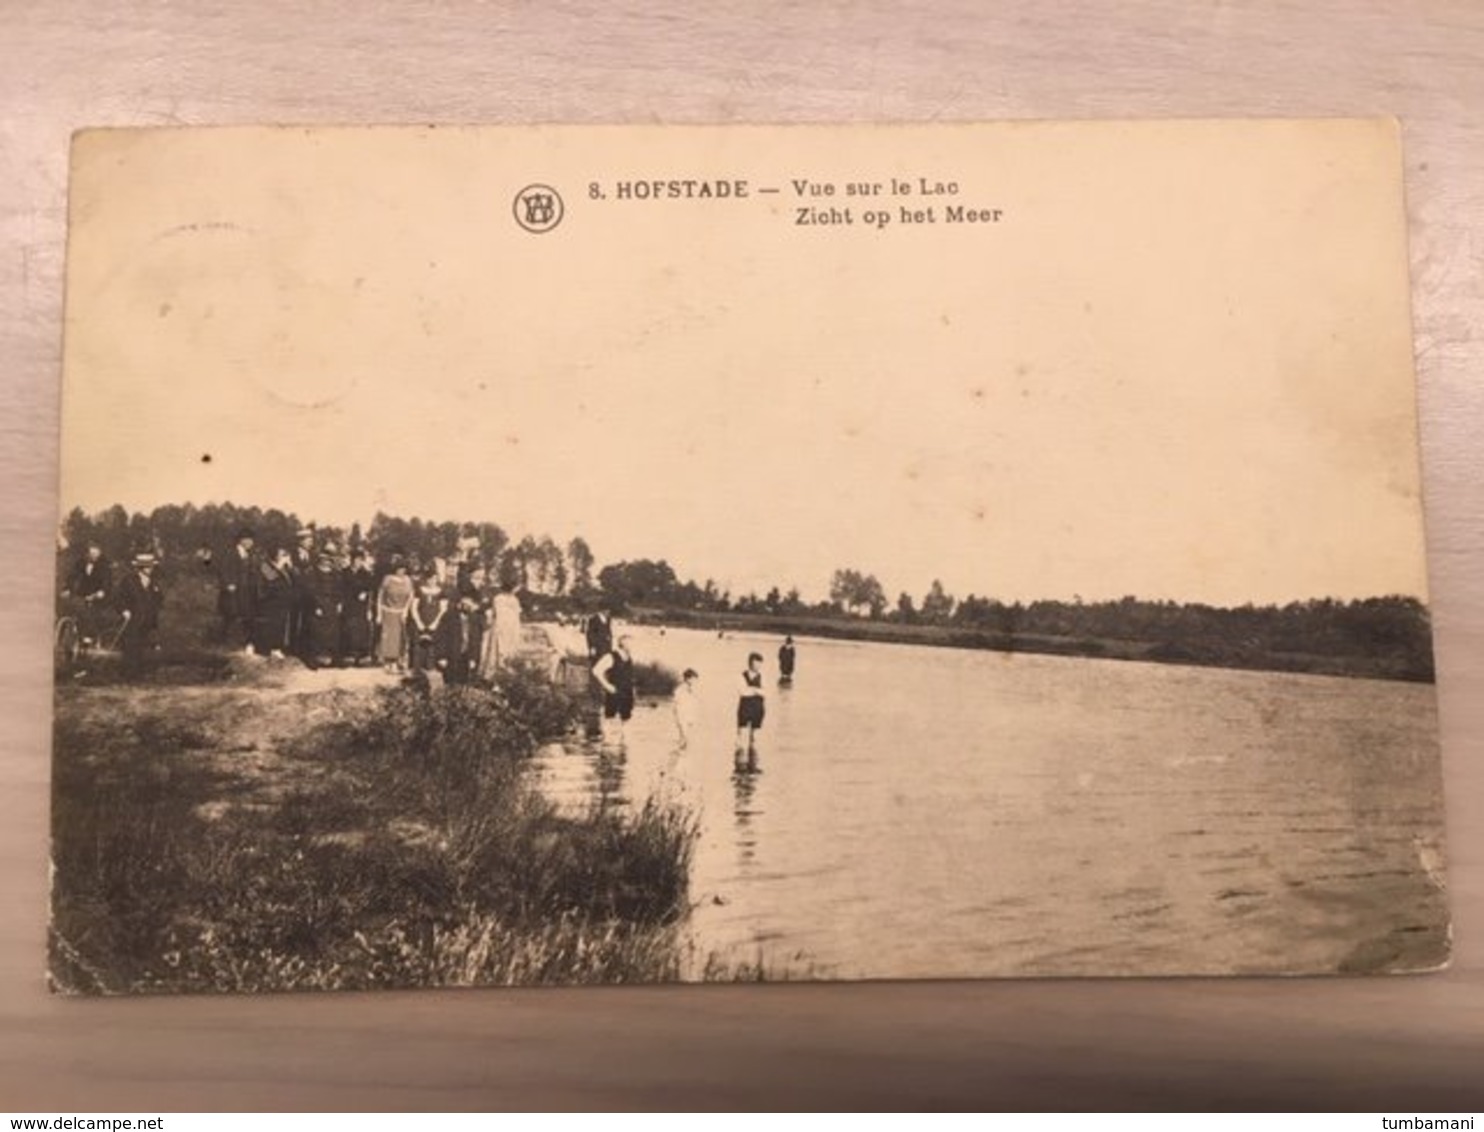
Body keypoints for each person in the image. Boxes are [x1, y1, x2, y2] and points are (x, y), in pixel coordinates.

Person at [116, 552, 164, 677]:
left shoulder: (154, 582)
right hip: (133, 619)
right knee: (131, 644)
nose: (150, 569)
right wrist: (124, 610)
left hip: (149, 620)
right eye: (147, 567)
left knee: (145, 645)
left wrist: (156, 605)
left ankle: (142, 671)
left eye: (151, 567)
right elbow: (119, 598)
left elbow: (159, 599)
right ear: (140, 568)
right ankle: (129, 673)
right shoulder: (128, 581)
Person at [216, 527, 257, 654]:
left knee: (247, 616)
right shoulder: (229, 553)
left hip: (246, 591)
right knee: (230, 616)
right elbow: (222, 570)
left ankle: (246, 643)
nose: (251, 543)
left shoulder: (251, 555)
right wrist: (228, 584)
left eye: (252, 540)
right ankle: (225, 643)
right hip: (232, 590)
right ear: (241, 540)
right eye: (249, 540)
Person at [63, 542, 112, 646]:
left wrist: (102, 591)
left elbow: (107, 581)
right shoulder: (80, 562)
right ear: (87, 553)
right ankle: (71, 632)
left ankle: (90, 635)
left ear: (100, 553)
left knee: (93, 611)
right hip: (83, 593)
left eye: (96, 554)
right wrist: (67, 588)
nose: (94, 556)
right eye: (92, 553)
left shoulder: (104, 565)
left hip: (98, 594)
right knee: (76, 606)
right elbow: (72, 576)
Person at [592, 635, 636, 745]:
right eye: (630, 643)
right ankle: (606, 742)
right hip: (614, 690)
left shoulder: (629, 657)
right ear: (622, 644)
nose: (632, 645)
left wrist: (633, 691)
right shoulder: (611, 656)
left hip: (627, 691)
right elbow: (596, 671)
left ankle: (624, 744)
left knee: (626, 718)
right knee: (609, 717)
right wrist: (607, 686)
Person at [303, 551, 344, 669]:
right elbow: (311, 591)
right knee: (316, 633)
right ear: (320, 561)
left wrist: (339, 603)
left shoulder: (335, 574)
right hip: (319, 605)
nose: (327, 563)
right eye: (324, 560)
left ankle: (334, 658)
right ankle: (313, 659)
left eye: (329, 560)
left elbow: (339, 589)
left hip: (332, 605)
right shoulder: (312, 573)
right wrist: (316, 606)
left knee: (333, 632)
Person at [253, 548, 295, 660]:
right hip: (270, 601)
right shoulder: (265, 566)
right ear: (274, 555)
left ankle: (277, 647)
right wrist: (279, 567)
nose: (284, 556)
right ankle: (269, 649)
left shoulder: (284, 567)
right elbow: (271, 580)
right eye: (282, 554)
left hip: (282, 601)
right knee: (271, 625)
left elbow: (293, 580)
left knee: (280, 625)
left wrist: (290, 567)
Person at [376, 556, 414, 672]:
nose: (401, 571)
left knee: (400, 638)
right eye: (399, 569)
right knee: (389, 637)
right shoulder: (387, 579)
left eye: (403, 569)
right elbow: (380, 596)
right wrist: (379, 613)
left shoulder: (408, 580)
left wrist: (406, 610)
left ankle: (398, 661)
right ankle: (388, 662)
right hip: (388, 611)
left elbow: (411, 596)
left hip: (401, 612)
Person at [339, 548, 377, 665]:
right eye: (356, 560)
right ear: (351, 560)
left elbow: (371, 589)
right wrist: (340, 603)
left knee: (361, 629)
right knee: (347, 628)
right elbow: (340, 589)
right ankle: (348, 655)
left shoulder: (365, 574)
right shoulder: (344, 573)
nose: (358, 562)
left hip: (361, 606)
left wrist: (365, 594)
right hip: (348, 604)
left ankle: (361, 656)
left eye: (360, 560)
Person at [408, 568, 448, 675]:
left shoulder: (441, 592)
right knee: (418, 644)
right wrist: (418, 622)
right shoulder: (420, 590)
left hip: (434, 622)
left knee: (432, 645)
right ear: (426, 579)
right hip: (421, 620)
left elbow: (443, 609)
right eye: (430, 579)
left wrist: (435, 622)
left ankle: (430, 667)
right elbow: (414, 608)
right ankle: (417, 669)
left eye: (435, 579)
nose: (432, 581)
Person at [483, 581, 523, 675]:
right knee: (502, 649)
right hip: (505, 626)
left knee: (502, 649)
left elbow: (495, 613)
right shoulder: (509, 599)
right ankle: (499, 674)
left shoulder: (503, 599)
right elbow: (515, 614)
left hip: (505, 626)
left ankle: (501, 674)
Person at [735, 651, 766, 772]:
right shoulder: (741, 676)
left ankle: (753, 764)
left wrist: (752, 689)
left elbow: (766, 692)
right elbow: (742, 692)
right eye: (755, 664)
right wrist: (757, 690)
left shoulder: (764, 676)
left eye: (759, 664)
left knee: (755, 738)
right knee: (741, 736)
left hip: (758, 709)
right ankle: (740, 764)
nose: (758, 666)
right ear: (750, 663)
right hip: (744, 708)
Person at [672, 668, 700, 750]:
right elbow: (675, 706)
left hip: (690, 717)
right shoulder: (679, 690)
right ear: (688, 678)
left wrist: (694, 718)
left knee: (688, 739)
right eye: (693, 679)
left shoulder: (693, 690)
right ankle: (681, 756)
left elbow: (694, 704)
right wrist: (677, 719)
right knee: (684, 739)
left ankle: (682, 755)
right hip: (682, 717)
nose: (695, 681)